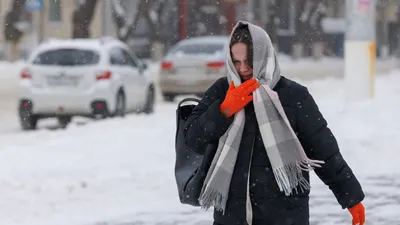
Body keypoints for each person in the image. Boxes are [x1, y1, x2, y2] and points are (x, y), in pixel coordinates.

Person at [183, 21, 365, 225]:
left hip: (284, 216)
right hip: (232, 217)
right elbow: (192, 139)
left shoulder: (293, 96)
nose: (243, 69)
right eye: (236, 61)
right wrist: (224, 110)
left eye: (249, 61)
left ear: (264, 56)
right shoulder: (221, 90)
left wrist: (351, 197)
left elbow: (324, 151)